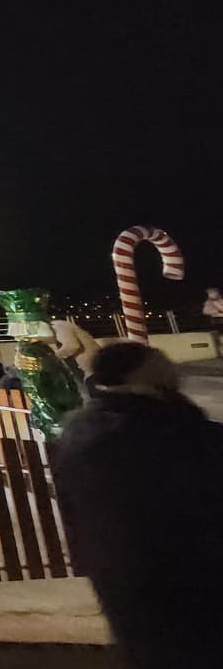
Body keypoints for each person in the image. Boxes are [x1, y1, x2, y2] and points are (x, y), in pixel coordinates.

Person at [54, 342, 223, 667]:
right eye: (161, 362)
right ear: (142, 373)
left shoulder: (83, 429)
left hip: (120, 577)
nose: (171, 368)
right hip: (183, 573)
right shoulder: (162, 427)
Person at [203, 285, 223, 359]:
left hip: (220, 319)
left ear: (217, 293)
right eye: (209, 293)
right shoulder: (208, 302)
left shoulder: (221, 300)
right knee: (216, 337)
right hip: (215, 321)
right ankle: (219, 353)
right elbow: (205, 311)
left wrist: (217, 310)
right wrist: (216, 311)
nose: (210, 295)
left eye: (211, 293)